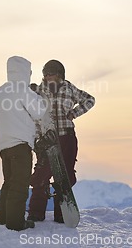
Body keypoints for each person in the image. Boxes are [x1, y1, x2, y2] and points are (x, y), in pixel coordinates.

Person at [28, 59, 95, 223]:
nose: (48, 76)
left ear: (60, 75)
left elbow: (90, 100)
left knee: (65, 176)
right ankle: (36, 213)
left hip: (67, 137)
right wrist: (36, 139)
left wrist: (74, 113)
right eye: (46, 73)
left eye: (52, 73)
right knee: (41, 175)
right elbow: (34, 116)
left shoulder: (70, 88)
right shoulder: (38, 91)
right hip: (46, 139)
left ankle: (62, 213)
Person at [0, 56, 48, 231]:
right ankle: (16, 223)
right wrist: (38, 95)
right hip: (20, 145)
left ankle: (3, 219)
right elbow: (40, 112)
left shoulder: (1, 90)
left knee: (8, 183)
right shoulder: (22, 89)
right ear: (25, 71)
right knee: (19, 185)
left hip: (4, 146)